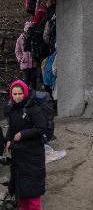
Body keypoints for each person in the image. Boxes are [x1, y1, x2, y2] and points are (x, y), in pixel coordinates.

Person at [6, 79, 46, 210]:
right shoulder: (12, 109)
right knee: (21, 194)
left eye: (20, 93)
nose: (17, 97)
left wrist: (22, 134)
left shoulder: (33, 108)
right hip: (19, 157)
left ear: (25, 92)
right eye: (14, 94)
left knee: (33, 195)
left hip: (33, 156)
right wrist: (8, 140)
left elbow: (41, 128)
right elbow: (12, 129)